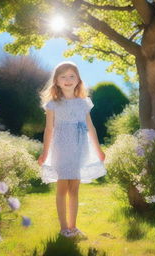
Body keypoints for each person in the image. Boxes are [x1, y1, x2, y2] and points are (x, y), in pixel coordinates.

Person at [38, 61, 107, 239]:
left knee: (74, 189)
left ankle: (73, 226)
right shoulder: (53, 104)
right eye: (63, 76)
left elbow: (90, 127)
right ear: (57, 81)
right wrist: (45, 153)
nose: (68, 80)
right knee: (62, 187)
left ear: (78, 80)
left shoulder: (83, 103)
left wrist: (98, 149)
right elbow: (49, 129)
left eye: (72, 76)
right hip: (61, 147)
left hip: (79, 147)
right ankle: (63, 229)